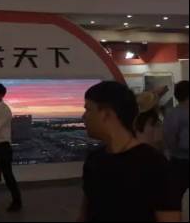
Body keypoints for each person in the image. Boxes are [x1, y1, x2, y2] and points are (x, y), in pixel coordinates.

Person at [79, 81, 181, 222]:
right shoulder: (94, 160)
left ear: (107, 114)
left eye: (88, 109)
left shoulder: (154, 165)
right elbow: (86, 213)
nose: (84, 116)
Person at [0, 83, 22, 212]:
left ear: (1, 94)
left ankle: (17, 202)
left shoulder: (4, 110)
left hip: (2, 147)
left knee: (7, 175)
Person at [164, 80, 189, 204]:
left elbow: (169, 137)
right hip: (181, 160)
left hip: (178, 160)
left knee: (176, 195)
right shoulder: (176, 114)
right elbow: (171, 137)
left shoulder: (173, 113)